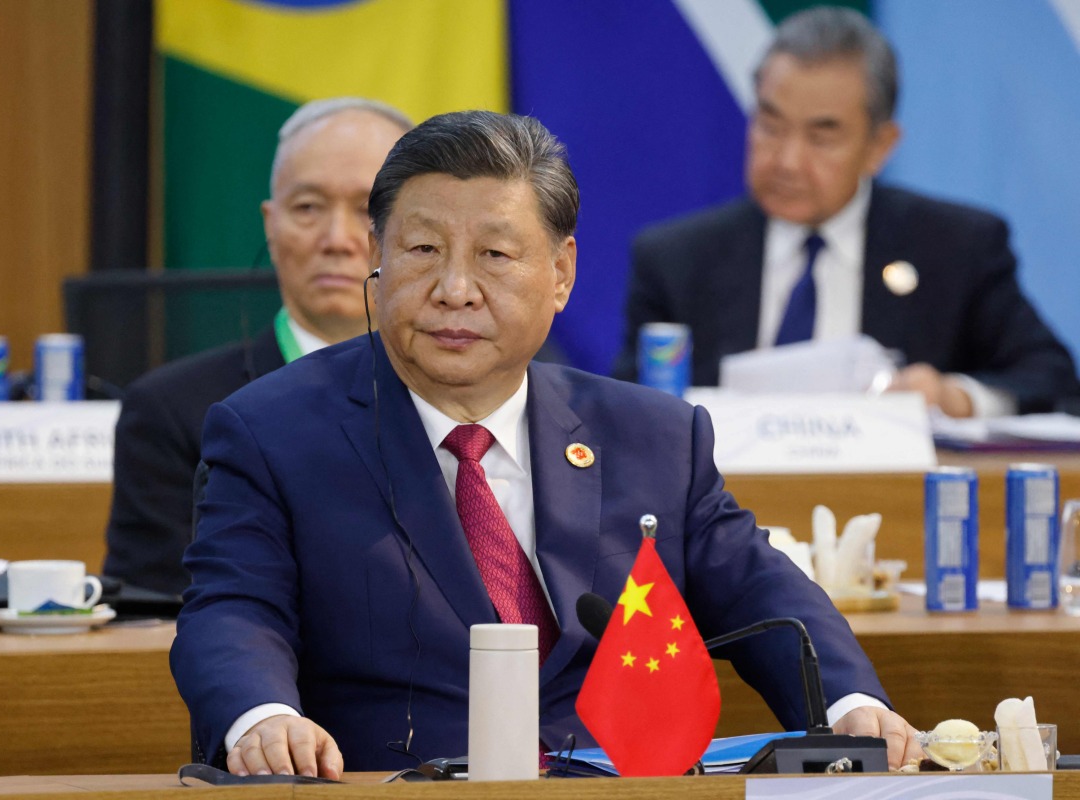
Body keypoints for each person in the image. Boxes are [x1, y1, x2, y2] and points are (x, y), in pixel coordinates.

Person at [171, 110, 922, 779]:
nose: (454, 288)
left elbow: (762, 590)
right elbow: (234, 609)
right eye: (424, 249)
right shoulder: (272, 431)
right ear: (379, 257)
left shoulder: (653, 436)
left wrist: (849, 703)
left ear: (560, 273)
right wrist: (262, 718)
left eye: (495, 256)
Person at [614, 6, 1079, 418]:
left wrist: (956, 398)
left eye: (822, 136)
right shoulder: (677, 261)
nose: (787, 161)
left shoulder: (957, 249)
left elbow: (1053, 380)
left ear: (880, 146)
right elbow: (625, 411)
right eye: (771, 125)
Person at [102, 98, 412, 595]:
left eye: (368, 210)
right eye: (308, 207)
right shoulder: (173, 412)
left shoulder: (468, 393)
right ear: (271, 224)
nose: (337, 238)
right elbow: (156, 613)